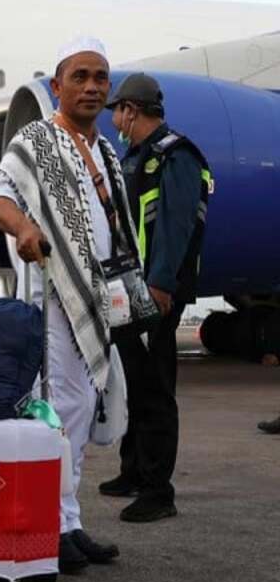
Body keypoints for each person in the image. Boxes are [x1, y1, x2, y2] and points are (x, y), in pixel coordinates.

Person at [0, 36, 126, 574]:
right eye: (80, 77)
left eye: (100, 79)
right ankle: (52, 525)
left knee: (84, 411)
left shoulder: (107, 151)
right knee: (62, 412)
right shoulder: (35, 140)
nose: (91, 87)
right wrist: (23, 226)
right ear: (57, 85)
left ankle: (69, 521)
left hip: (100, 302)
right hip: (58, 300)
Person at [99, 73, 211, 523]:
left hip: (156, 291)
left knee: (155, 389)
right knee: (131, 384)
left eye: (119, 112)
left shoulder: (175, 156)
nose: (116, 122)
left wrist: (161, 285)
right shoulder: (136, 157)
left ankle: (158, 490)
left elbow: (176, 225)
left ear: (132, 109)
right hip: (131, 291)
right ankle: (133, 471)